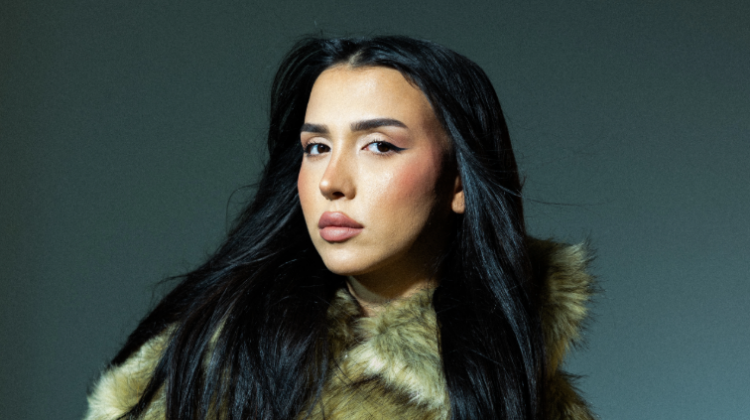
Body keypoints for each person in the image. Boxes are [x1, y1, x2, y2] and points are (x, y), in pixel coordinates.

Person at [84, 36, 596, 420]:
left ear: (459, 182)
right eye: (316, 147)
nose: (331, 180)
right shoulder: (208, 367)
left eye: (379, 145)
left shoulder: (525, 395)